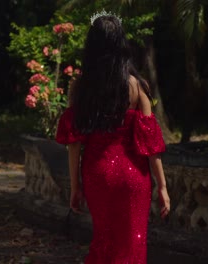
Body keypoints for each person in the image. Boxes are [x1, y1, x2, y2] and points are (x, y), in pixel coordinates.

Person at [55, 10, 170, 264]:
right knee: (131, 244)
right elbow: (150, 143)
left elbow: (74, 144)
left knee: (104, 241)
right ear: (122, 45)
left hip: (97, 174)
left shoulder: (81, 87)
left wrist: (75, 187)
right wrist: (162, 186)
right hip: (133, 178)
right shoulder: (138, 87)